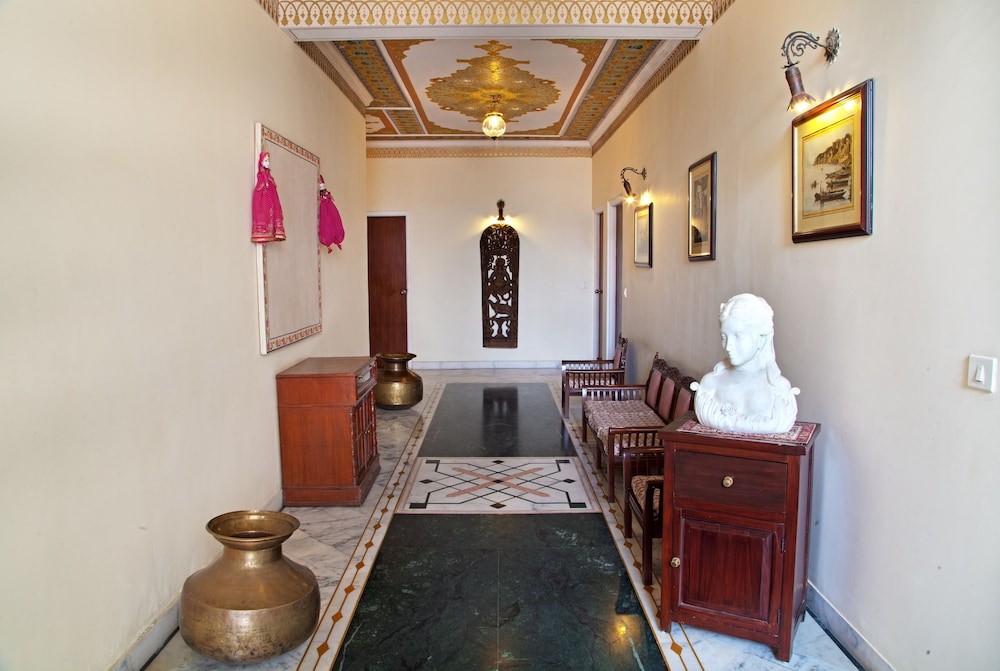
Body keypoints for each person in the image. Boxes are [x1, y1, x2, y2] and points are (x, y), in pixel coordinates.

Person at [692, 293, 799, 434]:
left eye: (738, 336)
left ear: (761, 337)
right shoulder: (710, 384)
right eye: (724, 336)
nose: (728, 346)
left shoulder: (778, 389)